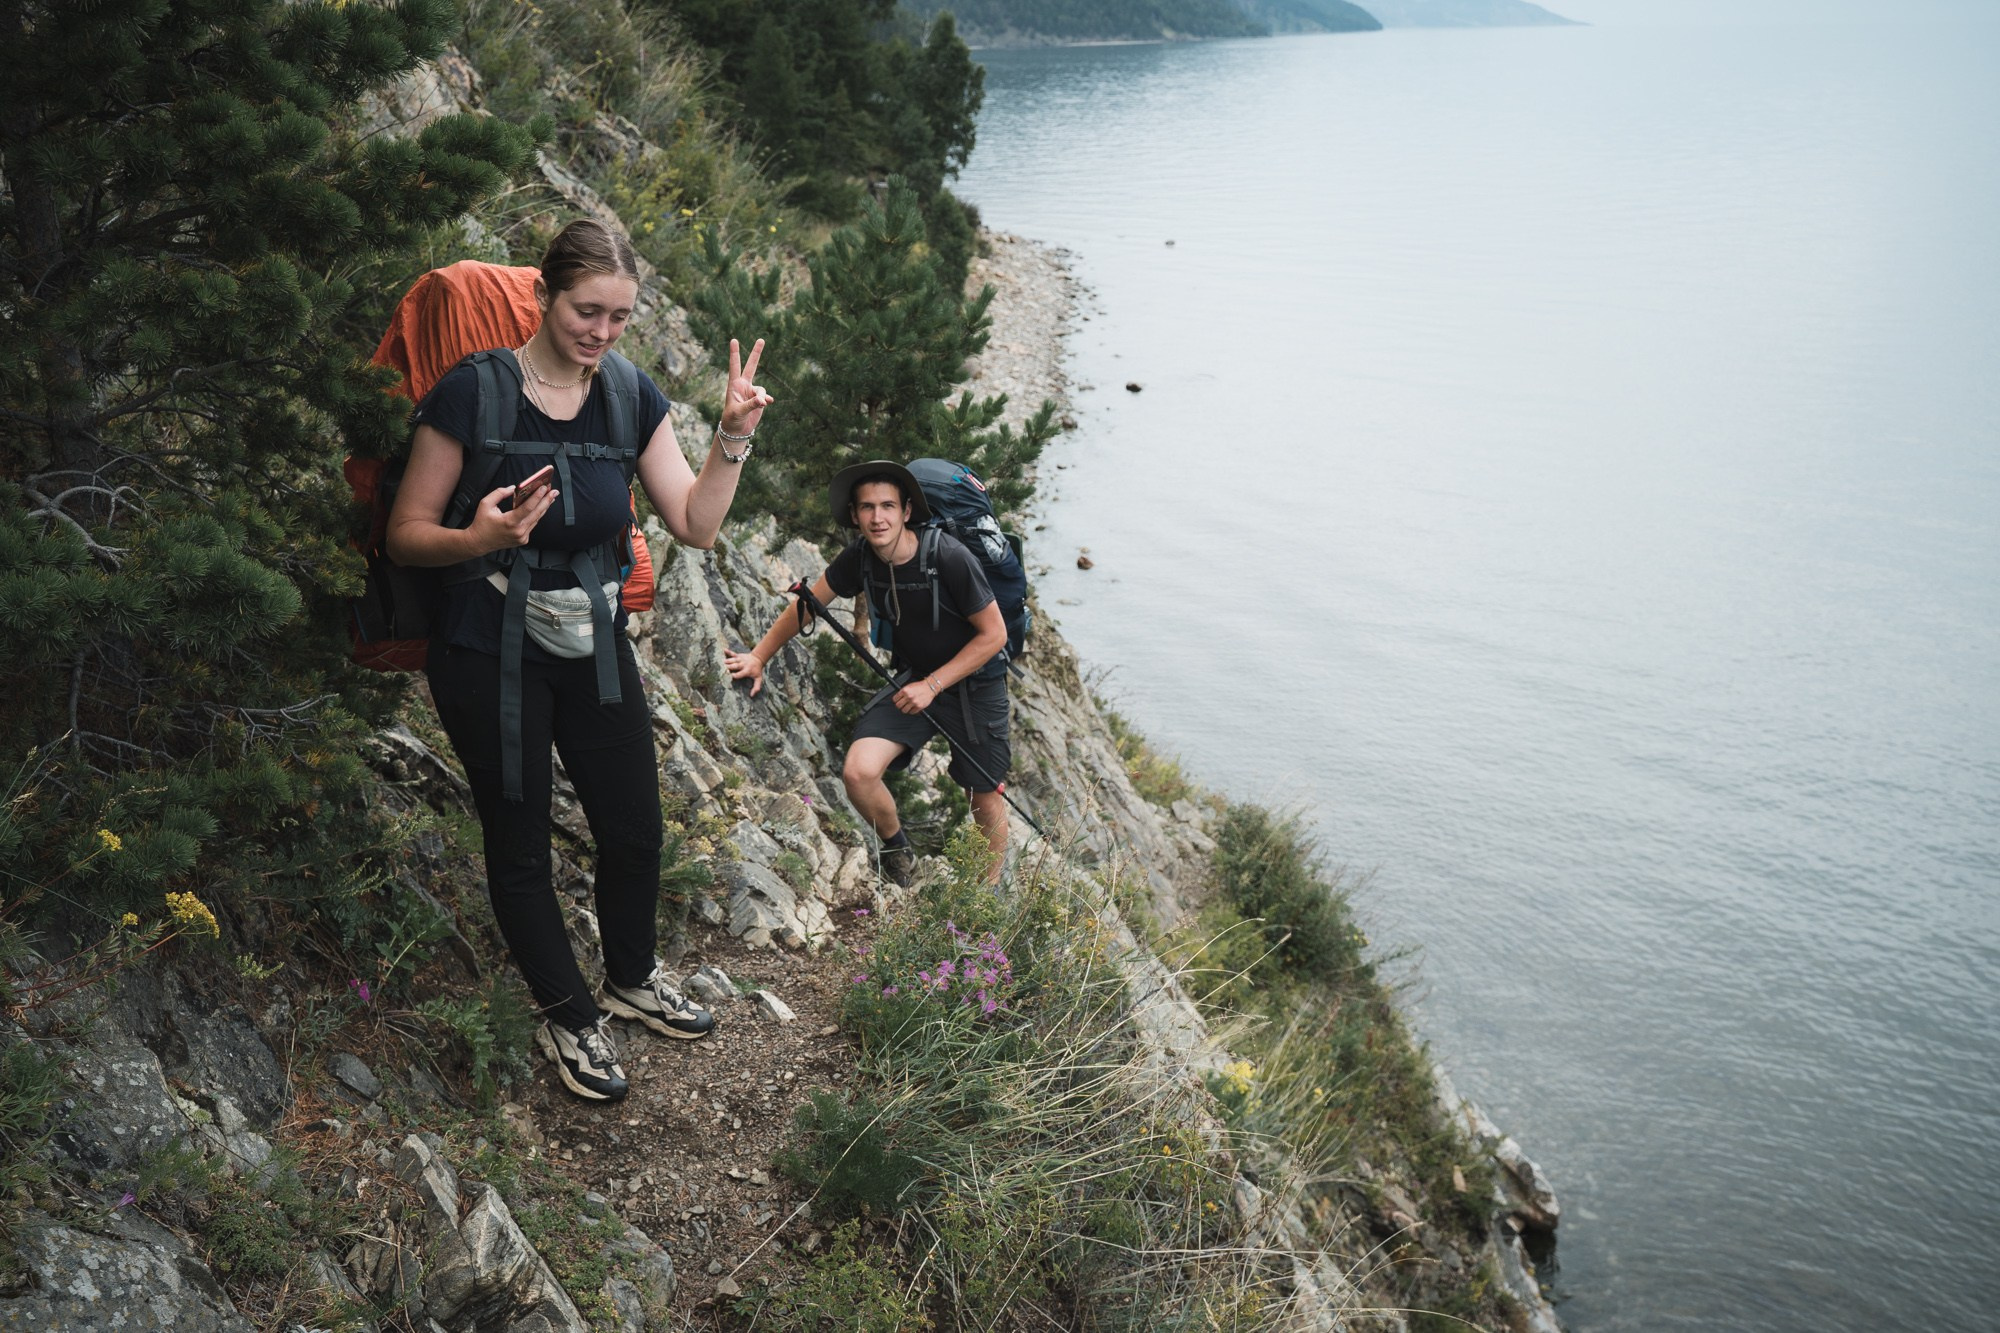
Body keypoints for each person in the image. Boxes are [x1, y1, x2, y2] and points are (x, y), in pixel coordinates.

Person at [386, 219, 773, 1102]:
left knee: (635, 828)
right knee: (518, 844)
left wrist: (732, 435)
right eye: (585, 312)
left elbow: (697, 524)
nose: (600, 333)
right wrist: (477, 536)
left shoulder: (630, 395)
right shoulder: (471, 394)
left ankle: (630, 978)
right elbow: (408, 536)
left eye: (619, 318)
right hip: (486, 651)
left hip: (591, 643)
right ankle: (570, 1017)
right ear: (542, 298)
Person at [723, 461, 1011, 887]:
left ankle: (983, 903)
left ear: (907, 511)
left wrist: (932, 686)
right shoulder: (860, 557)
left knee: (983, 797)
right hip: (916, 681)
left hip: (975, 687)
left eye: (888, 506)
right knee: (859, 772)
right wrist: (759, 656)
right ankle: (900, 852)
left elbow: (994, 636)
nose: (878, 518)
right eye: (868, 508)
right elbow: (809, 603)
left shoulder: (948, 558)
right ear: (855, 516)